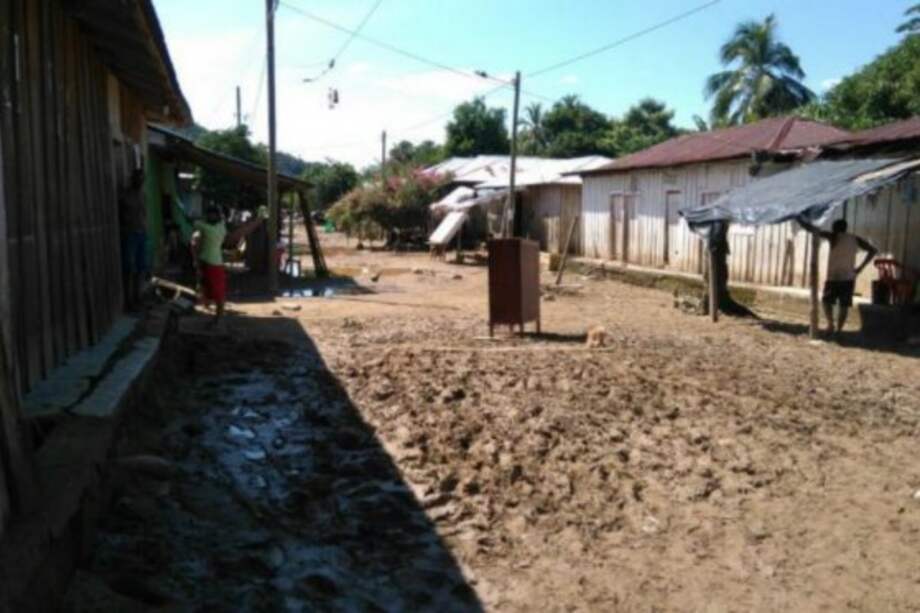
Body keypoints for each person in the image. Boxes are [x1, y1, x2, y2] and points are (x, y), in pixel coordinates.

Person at [798, 218, 878, 335]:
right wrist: (860, 268)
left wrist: (799, 219)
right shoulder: (854, 239)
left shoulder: (833, 236)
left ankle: (831, 324)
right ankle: (838, 330)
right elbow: (873, 250)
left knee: (826, 301)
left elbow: (812, 230)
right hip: (848, 278)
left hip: (834, 277)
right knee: (844, 305)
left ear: (835, 228)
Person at [193, 204, 269, 327]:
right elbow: (238, 232)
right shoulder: (219, 226)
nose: (211, 216)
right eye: (210, 214)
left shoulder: (207, 228)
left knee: (216, 293)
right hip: (207, 263)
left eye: (213, 214)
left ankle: (217, 318)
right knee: (209, 289)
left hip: (212, 264)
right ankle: (213, 314)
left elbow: (192, 223)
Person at [119, 169, 147, 312]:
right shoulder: (124, 195)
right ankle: (128, 300)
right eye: (138, 178)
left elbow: (144, 214)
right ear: (132, 179)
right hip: (129, 234)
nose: (140, 181)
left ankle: (138, 297)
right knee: (129, 268)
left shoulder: (142, 195)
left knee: (141, 268)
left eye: (142, 178)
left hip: (142, 234)